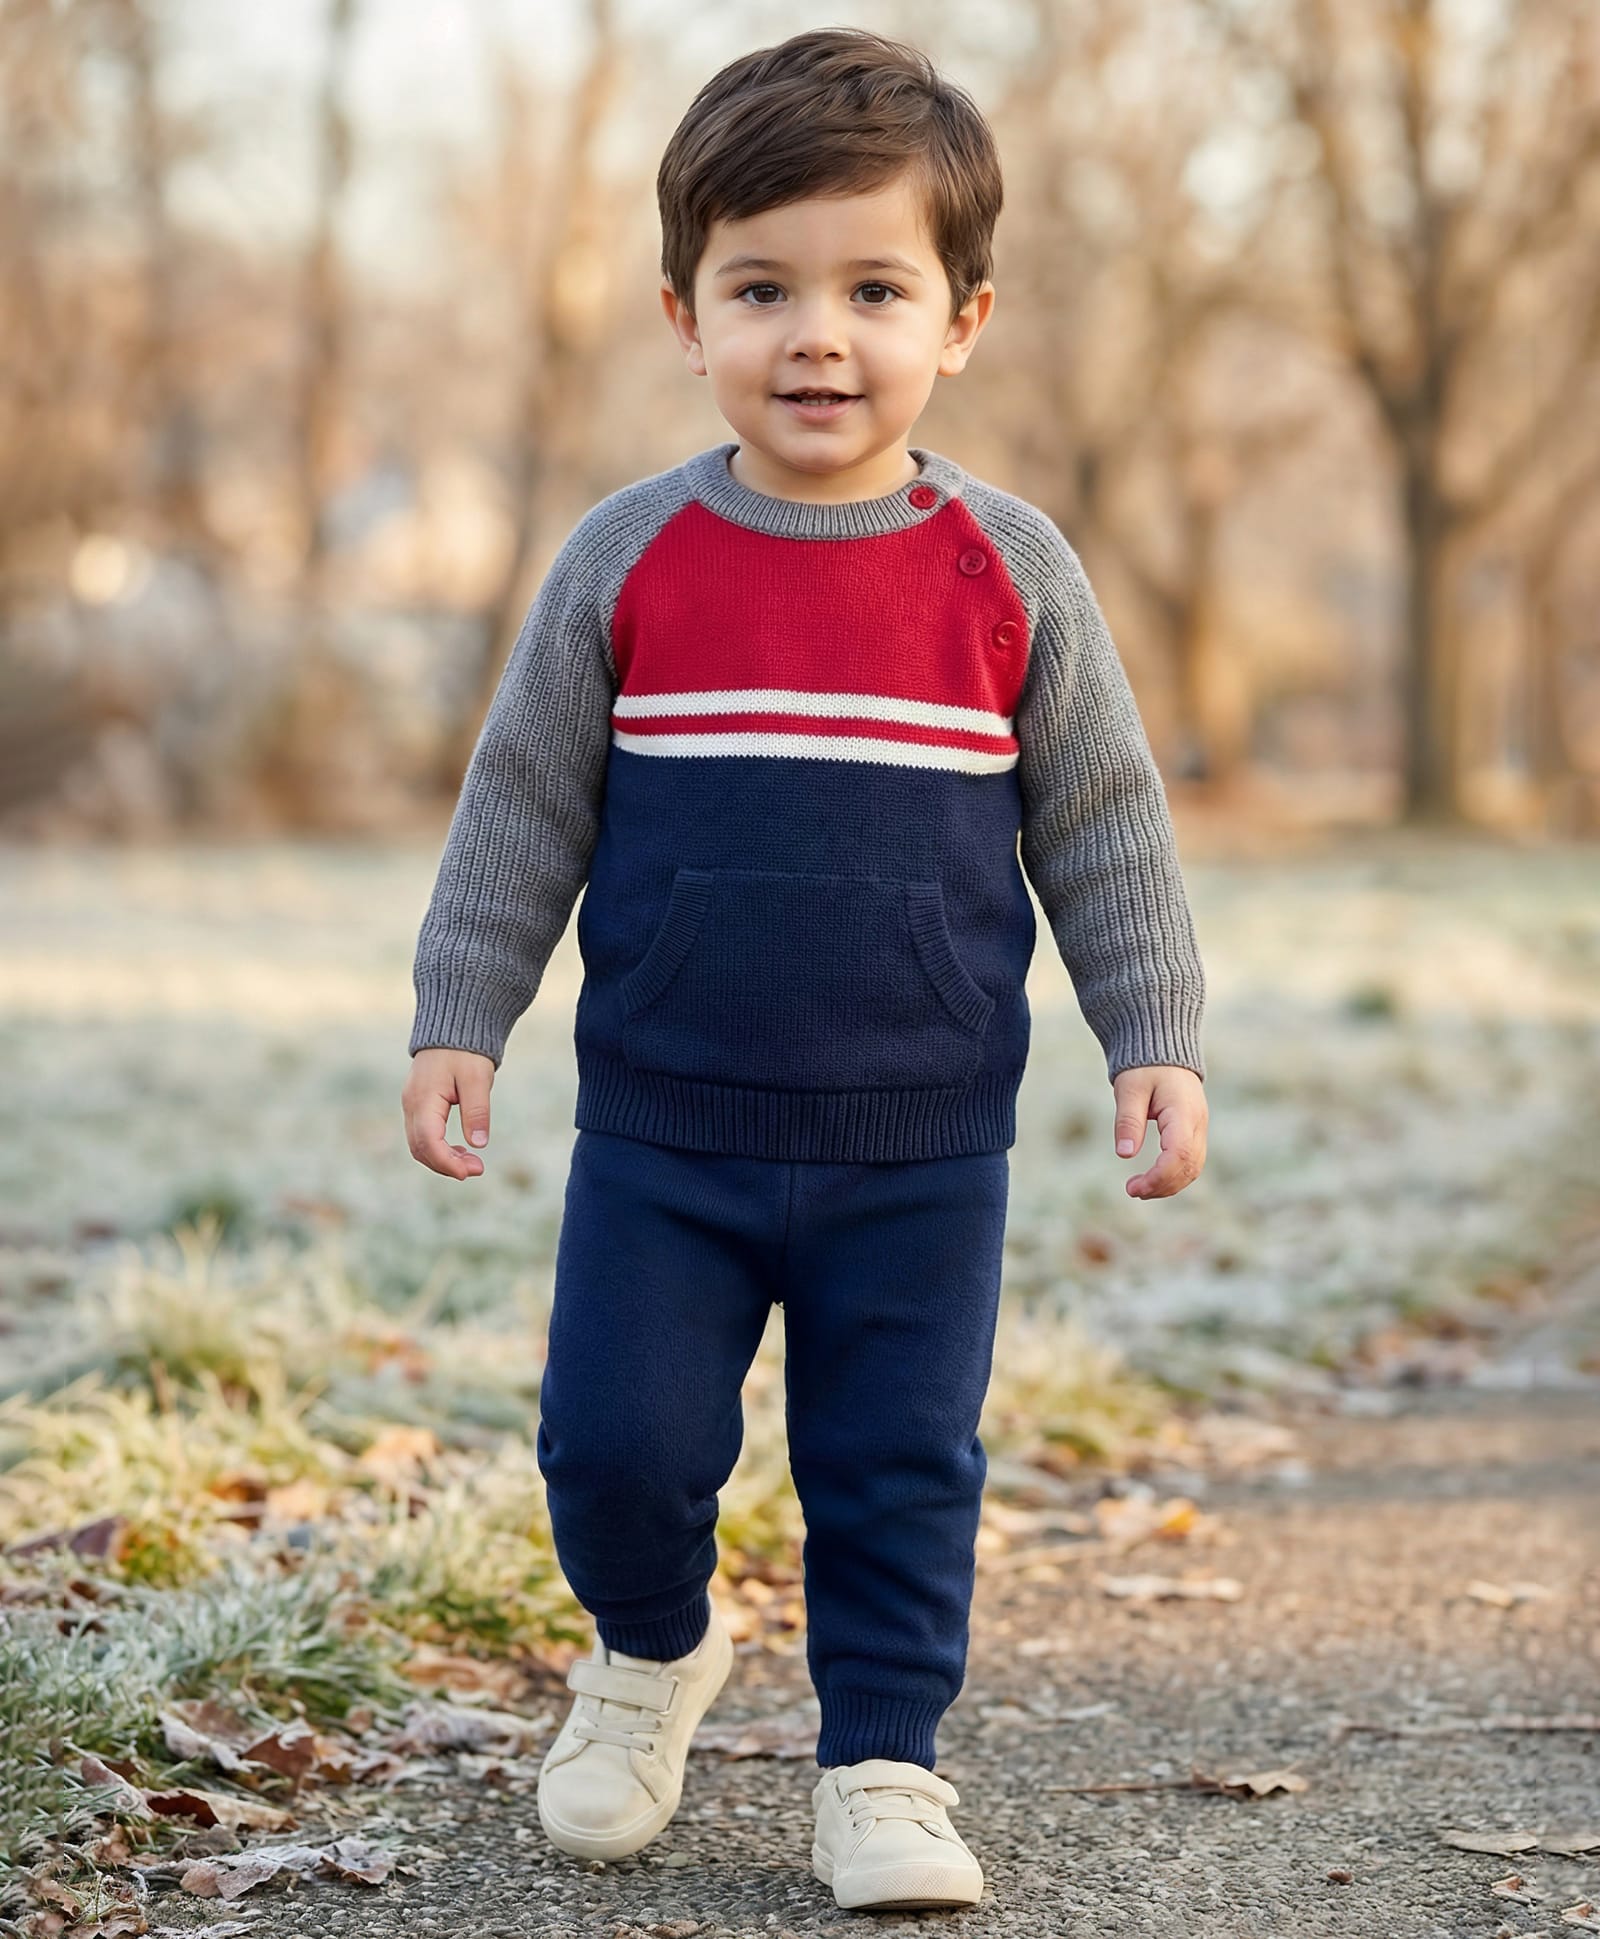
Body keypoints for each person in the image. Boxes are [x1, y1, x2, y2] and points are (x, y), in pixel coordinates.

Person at [401, 24, 1208, 1914]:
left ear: (965, 317)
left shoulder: (1008, 568)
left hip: (923, 1139)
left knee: (897, 1466)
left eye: (872, 289)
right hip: (665, 1134)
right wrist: (464, 1013)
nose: (817, 337)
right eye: (762, 288)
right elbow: (525, 806)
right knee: (615, 1445)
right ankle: (652, 1653)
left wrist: (1152, 1036)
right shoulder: (634, 556)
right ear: (685, 312)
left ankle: (884, 1763)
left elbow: (1103, 823)